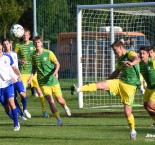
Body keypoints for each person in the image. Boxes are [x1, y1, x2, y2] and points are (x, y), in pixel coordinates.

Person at [71, 40, 140, 140]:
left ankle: (133, 130)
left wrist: (131, 63)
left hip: (130, 86)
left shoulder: (130, 53)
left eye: (115, 50)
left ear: (121, 47)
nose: (114, 52)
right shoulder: (120, 59)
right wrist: (107, 81)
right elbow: (116, 72)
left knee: (127, 112)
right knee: (100, 85)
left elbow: (136, 59)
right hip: (120, 82)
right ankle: (78, 89)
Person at [28, 36, 71, 124]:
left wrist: (55, 72)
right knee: (50, 101)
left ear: (41, 43)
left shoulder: (48, 53)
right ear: (33, 44)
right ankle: (59, 120)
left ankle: (65, 106)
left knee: (59, 100)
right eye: (35, 43)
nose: (37, 44)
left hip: (53, 81)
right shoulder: (32, 55)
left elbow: (57, 64)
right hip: (43, 82)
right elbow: (34, 68)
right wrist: (31, 77)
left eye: (38, 42)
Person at [14, 29, 48, 117]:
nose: (25, 37)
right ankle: (23, 110)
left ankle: (44, 111)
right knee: (23, 93)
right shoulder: (18, 46)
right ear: (22, 36)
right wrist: (20, 61)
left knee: (39, 91)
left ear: (29, 36)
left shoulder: (33, 45)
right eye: (24, 35)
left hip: (33, 72)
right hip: (23, 73)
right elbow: (13, 57)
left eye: (27, 35)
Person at [3, 38, 30, 120]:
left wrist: (21, 62)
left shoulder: (14, 54)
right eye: (4, 44)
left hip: (17, 78)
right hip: (9, 81)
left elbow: (14, 63)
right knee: (13, 99)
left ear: (10, 44)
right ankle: (21, 114)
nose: (6, 46)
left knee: (23, 94)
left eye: (7, 44)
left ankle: (24, 109)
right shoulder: (3, 56)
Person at [0, 41, 20, 131]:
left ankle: (16, 125)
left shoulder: (7, 57)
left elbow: (14, 67)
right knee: (7, 109)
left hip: (8, 84)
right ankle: (15, 120)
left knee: (12, 103)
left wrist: (18, 75)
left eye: (0, 48)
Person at [139, 46, 155, 126]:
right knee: (146, 106)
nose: (142, 55)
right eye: (140, 53)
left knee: (150, 105)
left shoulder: (152, 63)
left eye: (143, 53)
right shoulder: (139, 65)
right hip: (149, 88)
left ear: (148, 54)